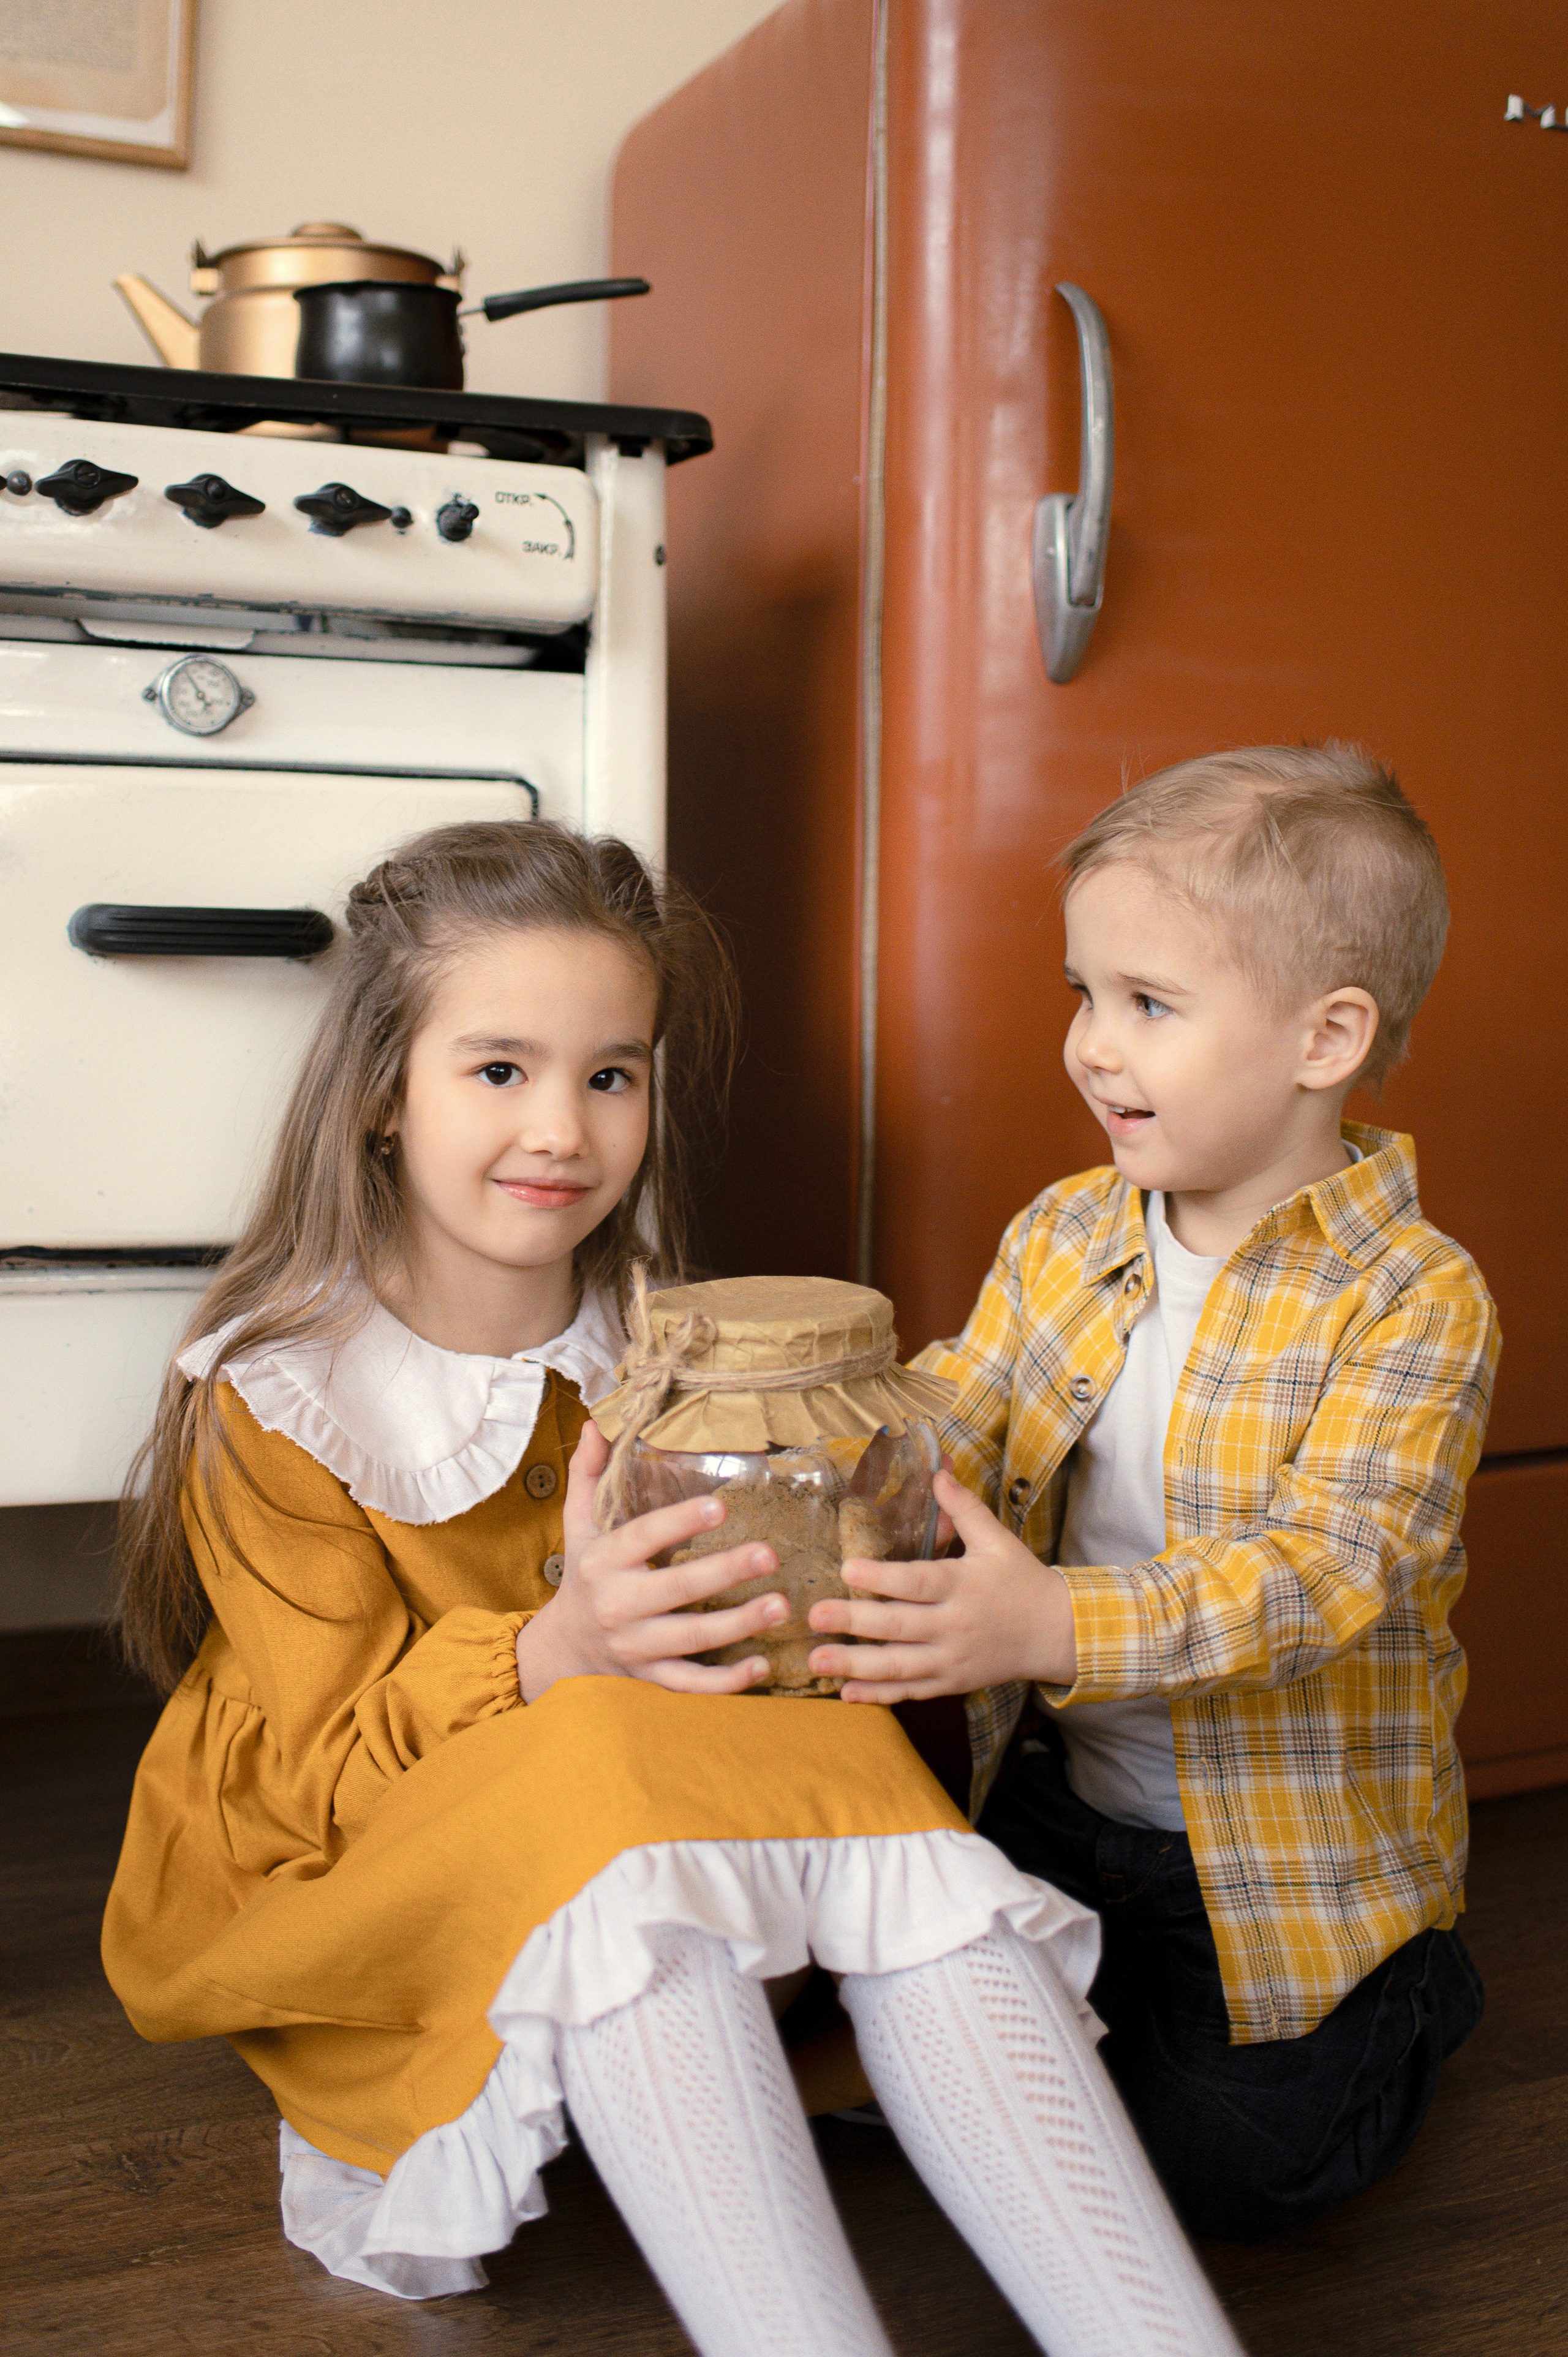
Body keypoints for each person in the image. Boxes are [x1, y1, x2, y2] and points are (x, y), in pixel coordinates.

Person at [103, 818, 1240, 2357]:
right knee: (602, 1762)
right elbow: (317, 1776)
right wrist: (554, 1649)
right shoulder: (280, 1394)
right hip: (371, 1872)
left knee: (816, 1765)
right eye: (497, 1069)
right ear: (381, 1089)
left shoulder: (673, 1344)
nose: (560, 1128)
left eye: (610, 1073)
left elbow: (759, 1664)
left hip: (657, 1835)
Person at [805, 743, 1497, 2241]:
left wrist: (1046, 1615)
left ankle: (1408, 1988)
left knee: (1230, 2171)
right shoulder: (1069, 1226)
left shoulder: (1413, 1300)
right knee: (917, 2042)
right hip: (1059, 1804)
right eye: (1083, 993)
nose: (1090, 1047)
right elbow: (964, 1406)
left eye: (1148, 1006)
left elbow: (1327, 1572)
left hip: (1269, 1863)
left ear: (1323, 1039)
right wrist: (820, 1442)